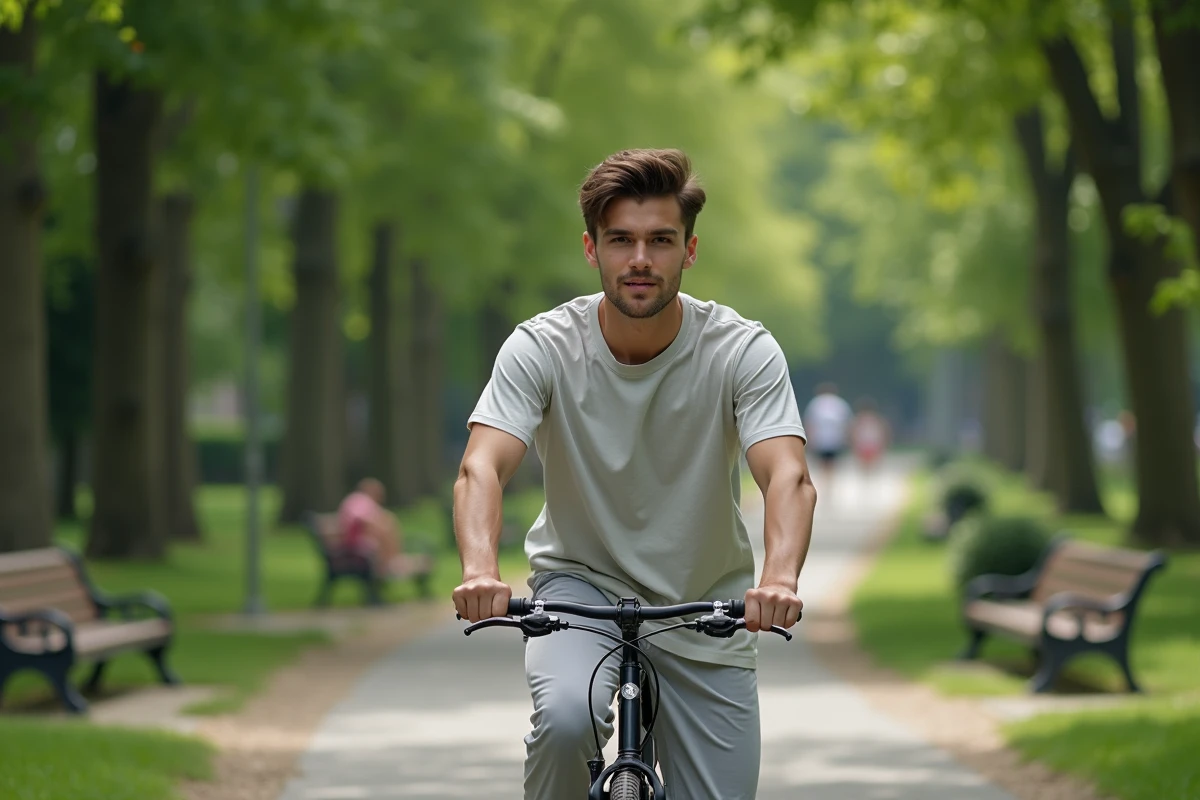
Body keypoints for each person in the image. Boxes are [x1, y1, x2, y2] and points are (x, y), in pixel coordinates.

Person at [452, 148, 817, 799]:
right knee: (565, 721)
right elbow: (482, 464)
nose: (640, 259)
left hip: (704, 607)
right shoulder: (542, 347)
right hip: (578, 593)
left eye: (660, 240)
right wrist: (480, 568)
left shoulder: (741, 350)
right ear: (591, 249)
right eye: (621, 240)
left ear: (689, 250)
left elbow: (786, 474)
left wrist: (779, 579)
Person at [336, 478, 410, 570]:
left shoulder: (367, 502)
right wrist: (380, 527)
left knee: (387, 525)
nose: (381, 496)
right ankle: (391, 563)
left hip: (362, 540)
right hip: (354, 543)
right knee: (384, 529)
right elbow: (359, 518)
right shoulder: (358, 499)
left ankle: (392, 561)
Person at [802, 382, 854, 479]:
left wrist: (809, 439)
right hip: (834, 439)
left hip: (822, 439)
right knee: (831, 462)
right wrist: (847, 438)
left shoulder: (816, 403)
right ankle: (829, 478)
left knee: (823, 462)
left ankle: (826, 478)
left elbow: (810, 423)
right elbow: (847, 423)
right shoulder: (839, 403)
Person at [850, 396, 891, 472]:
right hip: (869, 443)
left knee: (867, 465)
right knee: (869, 464)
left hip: (867, 443)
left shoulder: (859, 420)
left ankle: (868, 475)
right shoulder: (876, 419)